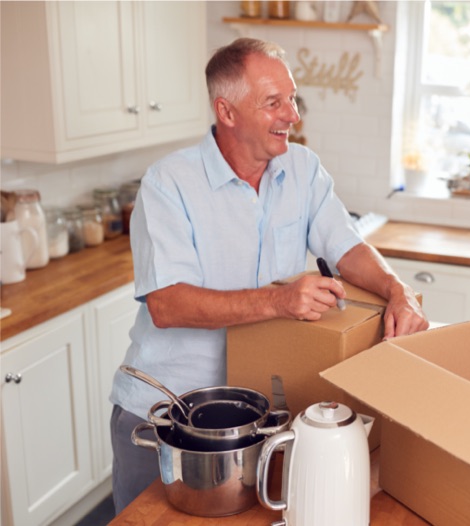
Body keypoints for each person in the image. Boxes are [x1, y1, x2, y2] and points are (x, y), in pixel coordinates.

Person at [108, 37, 429, 513]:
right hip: (170, 417)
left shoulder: (303, 169)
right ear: (228, 111)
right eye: (274, 102)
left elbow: (347, 247)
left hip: (259, 420)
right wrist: (279, 301)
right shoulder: (167, 184)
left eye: (292, 98)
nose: (293, 115)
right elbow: (167, 304)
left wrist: (398, 290)